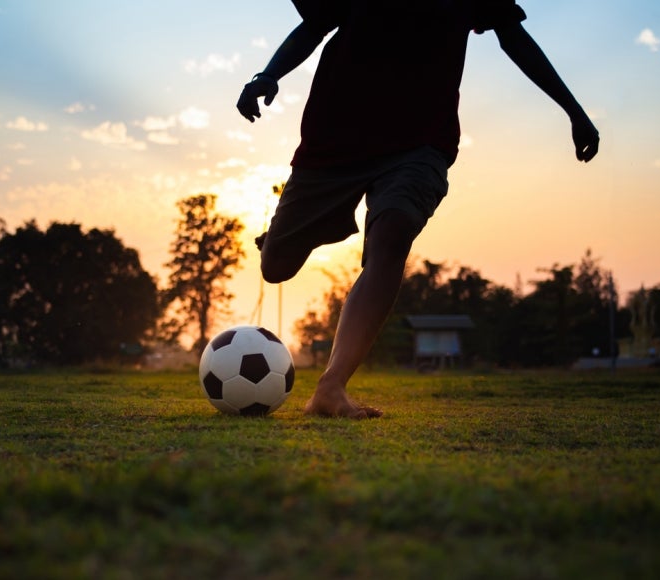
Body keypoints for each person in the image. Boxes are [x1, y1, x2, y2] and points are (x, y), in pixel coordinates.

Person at [236, 0, 600, 418]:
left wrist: (574, 110)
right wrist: (267, 75)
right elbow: (314, 25)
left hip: (419, 143)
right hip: (335, 137)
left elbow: (512, 36)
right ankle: (285, 236)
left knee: (393, 235)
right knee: (276, 267)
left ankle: (331, 387)